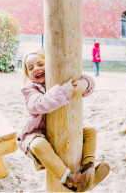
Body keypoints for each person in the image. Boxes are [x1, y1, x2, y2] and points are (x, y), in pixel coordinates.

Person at [17, 49, 110, 192]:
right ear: (28, 74)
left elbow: (87, 80)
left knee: (89, 131)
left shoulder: (60, 77)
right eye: (30, 68)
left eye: (40, 64)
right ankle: (70, 180)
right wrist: (66, 89)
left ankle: (87, 169)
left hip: (63, 129)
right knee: (38, 144)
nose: (36, 69)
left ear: (50, 64)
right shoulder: (30, 90)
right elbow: (39, 104)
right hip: (36, 133)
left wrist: (84, 83)